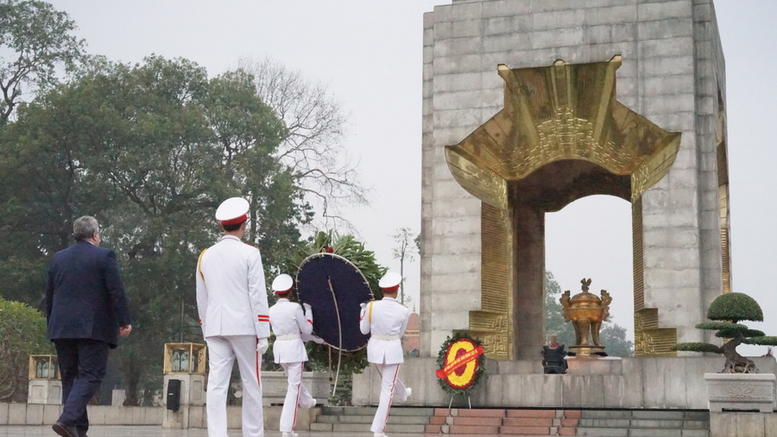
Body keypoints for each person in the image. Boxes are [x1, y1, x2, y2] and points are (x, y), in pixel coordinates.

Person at [46, 216, 132, 437]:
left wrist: (52, 325)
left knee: (70, 378)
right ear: (95, 235)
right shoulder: (104, 256)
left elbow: (50, 295)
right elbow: (116, 291)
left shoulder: (58, 258)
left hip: (61, 327)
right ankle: (66, 420)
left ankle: (77, 430)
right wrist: (124, 321)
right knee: (91, 375)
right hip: (92, 329)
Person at [196, 197, 270, 437]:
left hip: (215, 326)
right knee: (251, 382)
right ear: (244, 224)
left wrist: (206, 327)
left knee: (217, 385)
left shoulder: (205, 256)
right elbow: (257, 295)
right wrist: (263, 332)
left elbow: (202, 296)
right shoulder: (250, 253)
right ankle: (253, 434)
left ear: (221, 226)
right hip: (244, 326)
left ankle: (217, 434)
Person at [268, 274, 322, 437]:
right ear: (290, 291)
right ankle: (286, 428)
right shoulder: (295, 308)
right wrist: (309, 311)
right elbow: (306, 330)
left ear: (276, 293)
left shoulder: (271, 310)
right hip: (294, 349)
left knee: (294, 383)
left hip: (280, 349)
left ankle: (307, 401)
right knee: (293, 387)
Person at [359, 271, 412, 437]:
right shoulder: (404, 311)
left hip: (376, 349)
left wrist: (362, 313)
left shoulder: (371, 306)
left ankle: (403, 393)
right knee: (387, 389)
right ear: (396, 289)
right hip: (392, 349)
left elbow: (363, 330)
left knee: (389, 383)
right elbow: (401, 333)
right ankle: (378, 430)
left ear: (382, 290)